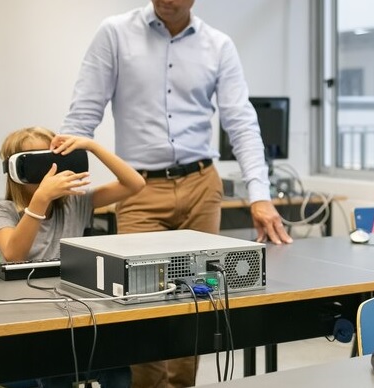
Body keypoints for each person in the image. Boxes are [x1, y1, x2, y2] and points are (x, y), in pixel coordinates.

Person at [59, 1, 292, 385]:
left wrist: (260, 195)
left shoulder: (218, 45)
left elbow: (242, 122)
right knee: (142, 304)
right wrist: (62, 189)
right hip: (139, 187)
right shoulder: (115, 33)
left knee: (198, 301)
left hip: (202, 185)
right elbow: (82, 115)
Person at [0, 126, 144, 386]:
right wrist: (40, 200)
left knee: (117, 366)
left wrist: (92, 147)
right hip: (30, 316)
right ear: (18, 170)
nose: (49, 171)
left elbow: (135, 184)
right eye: (38, 163)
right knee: (54, 369)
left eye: (53, 160)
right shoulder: (3, 210)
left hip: (74, 311)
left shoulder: (77, 201)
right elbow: (14, 255)